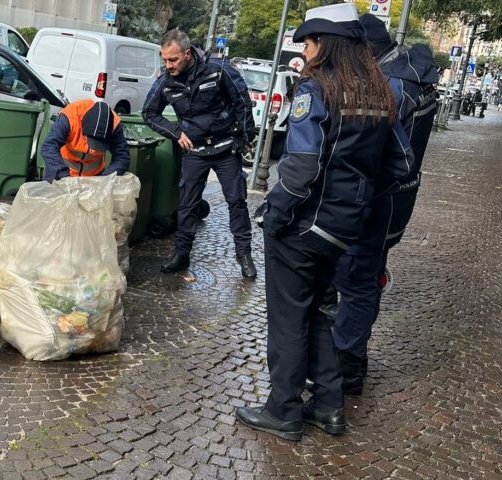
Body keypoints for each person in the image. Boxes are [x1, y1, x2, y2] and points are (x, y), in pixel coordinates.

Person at [235, 3, 414, 441]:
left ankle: (284, 410)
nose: (306, 52)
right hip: (344, 231)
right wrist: (356, 202)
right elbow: (402, 164)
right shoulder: (380, 92)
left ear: (325, 44)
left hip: (303, 228)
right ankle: (329, 407)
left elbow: (301, 165)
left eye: (309, 42)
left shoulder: (316, 89)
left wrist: (274, 214)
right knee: (317, 313)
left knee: (288, 319)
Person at [330, 14, 439, 396]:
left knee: (356, 277)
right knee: (367, 273)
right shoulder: (415, 75)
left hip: (377, 200)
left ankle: (347, 366)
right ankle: (348, 351)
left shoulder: (390, 85)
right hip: (398, 199)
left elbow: (375, 151)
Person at [143, 30, 257, 278]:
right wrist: (175, 133)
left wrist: (244, 138)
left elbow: (242, 102)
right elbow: (149, 113)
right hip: (194, 150)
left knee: (236, 201)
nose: (168, 65)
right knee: (187, 205)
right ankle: (181, 256)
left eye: (172, 60)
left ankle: (244, 256)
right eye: (164, 60)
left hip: (225, 148)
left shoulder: (217, 69)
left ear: (187, 53)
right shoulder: (166, 81)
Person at [41, 99, 129, 182]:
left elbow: (122, 157)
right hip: (61, 174)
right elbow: (49, 146)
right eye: (93, 142)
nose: (94, 149)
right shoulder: (70, 116)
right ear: (83, 128)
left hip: (94, 178)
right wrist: (63, 176)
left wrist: (104, 180)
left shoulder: (115, 125)